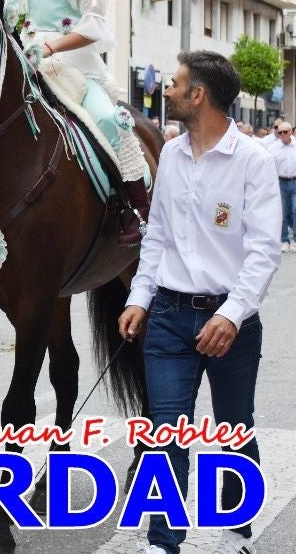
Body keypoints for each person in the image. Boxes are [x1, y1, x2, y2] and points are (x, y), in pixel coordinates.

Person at [119, 51, 280, 554]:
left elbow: (263, 250)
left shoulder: (252, 160)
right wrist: (139, 298)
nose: (166, 92)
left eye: (175, 84)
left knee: (235, 431)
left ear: (199, 95)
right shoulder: (169, 154)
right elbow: (158, 235)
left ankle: (237, 529)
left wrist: (231, 315)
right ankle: (163, 540)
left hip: (231, 319)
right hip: (167, 315)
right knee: (163, 432)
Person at [3, 0, 150, 245]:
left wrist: (50, 47)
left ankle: (134, 208)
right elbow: (7, 17)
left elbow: (94, 24)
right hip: (27, 65)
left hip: (76, 67)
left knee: (105, 119)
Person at [272, 121, 296, 252]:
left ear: (291, 132)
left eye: (285, 132)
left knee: (295, 210)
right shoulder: (274, 148)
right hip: (280, 182)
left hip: (295, 181)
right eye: (279, 132)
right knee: (282, 213)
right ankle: (284, 240)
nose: (282, 134)